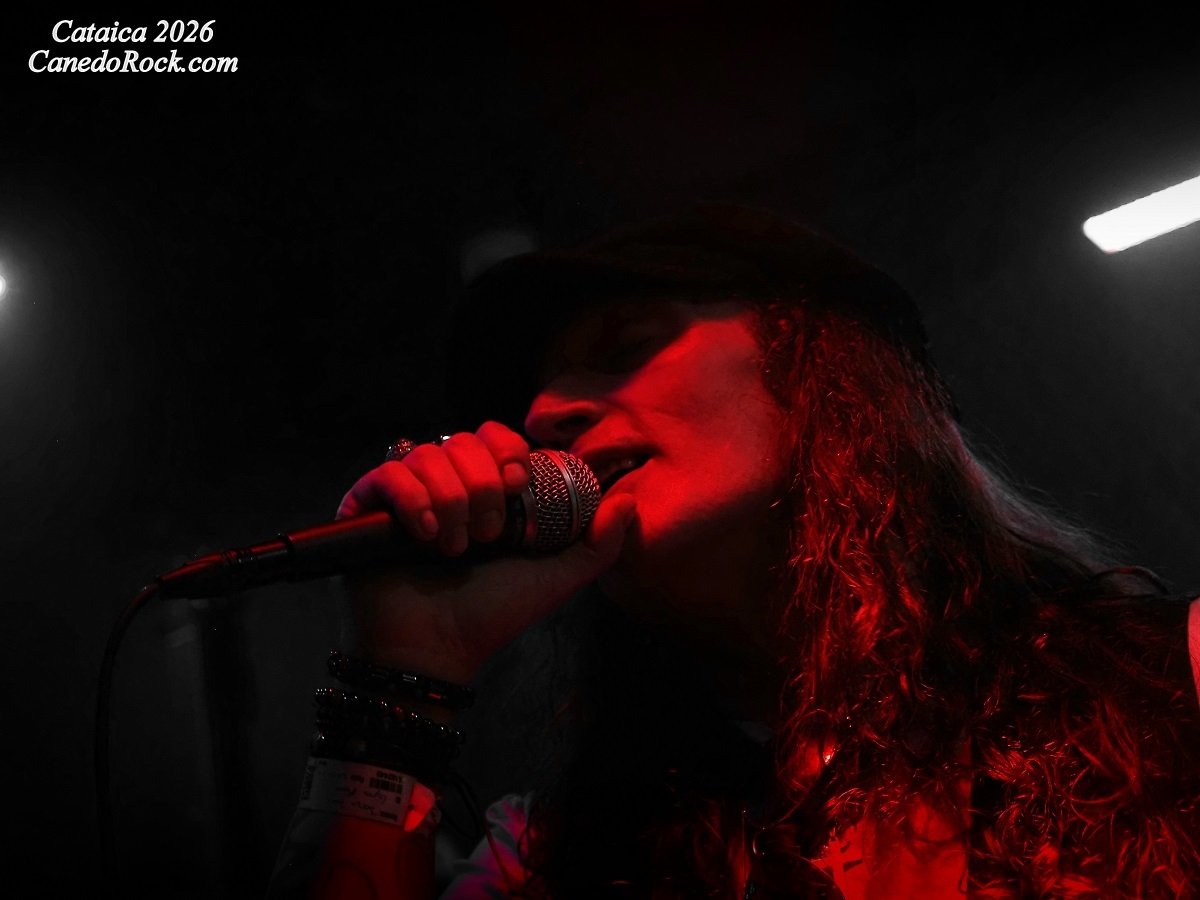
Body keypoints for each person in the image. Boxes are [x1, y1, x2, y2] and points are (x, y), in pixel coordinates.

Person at [267, 206, 1200, 898]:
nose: (545, 413)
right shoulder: (552, 856)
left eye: (624, 347)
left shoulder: (1173, 685)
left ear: (819, 370)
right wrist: (401, 673)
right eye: (533, 397)